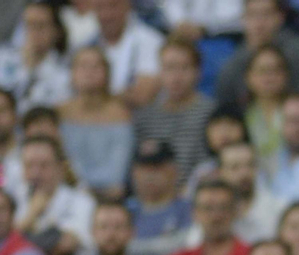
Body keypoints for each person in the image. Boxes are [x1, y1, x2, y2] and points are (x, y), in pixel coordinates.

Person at [211, 0, 299, 113]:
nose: (259, 22)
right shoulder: (233, 64)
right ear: (243, 19)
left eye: (266, 14)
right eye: (253, 14)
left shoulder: (296, 53)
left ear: (280, 17)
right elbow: (223, 111)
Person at [132, 37, 213, 180]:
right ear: (160, 72)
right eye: (169, 68)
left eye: (184, 68)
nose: (176, 77)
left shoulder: (211, 113)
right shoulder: (144, 117)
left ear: (198, 72)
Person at [58, 46, 134, 197]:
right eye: (83, 66)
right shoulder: (59, 113)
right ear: (72, 73)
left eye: (96, 66)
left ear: (107, 73)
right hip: (69, 190)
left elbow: (119, 166)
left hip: (111, 193)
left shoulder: (121, 114)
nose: (89, 72)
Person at [15, 136, 95, 255]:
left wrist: (18, 243)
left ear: (60, 168)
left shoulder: (81, 201)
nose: (36, 173)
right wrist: (30, 216)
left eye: (44, 166)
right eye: (29, 165)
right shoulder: (13, 199)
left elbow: (65, 245)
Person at [0, 2, 70, 110]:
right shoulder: (2, 57)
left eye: (41, 25)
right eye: (29, 25)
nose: (34, 32)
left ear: (55, 31)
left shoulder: (64, 70)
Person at [89, 0, 162, 109]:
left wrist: (95, 98)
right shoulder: (87, 45)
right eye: (100, 8)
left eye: (113, 6)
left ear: (128, 6)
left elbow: (143, 95)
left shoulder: (150, 41)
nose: (107, 15)